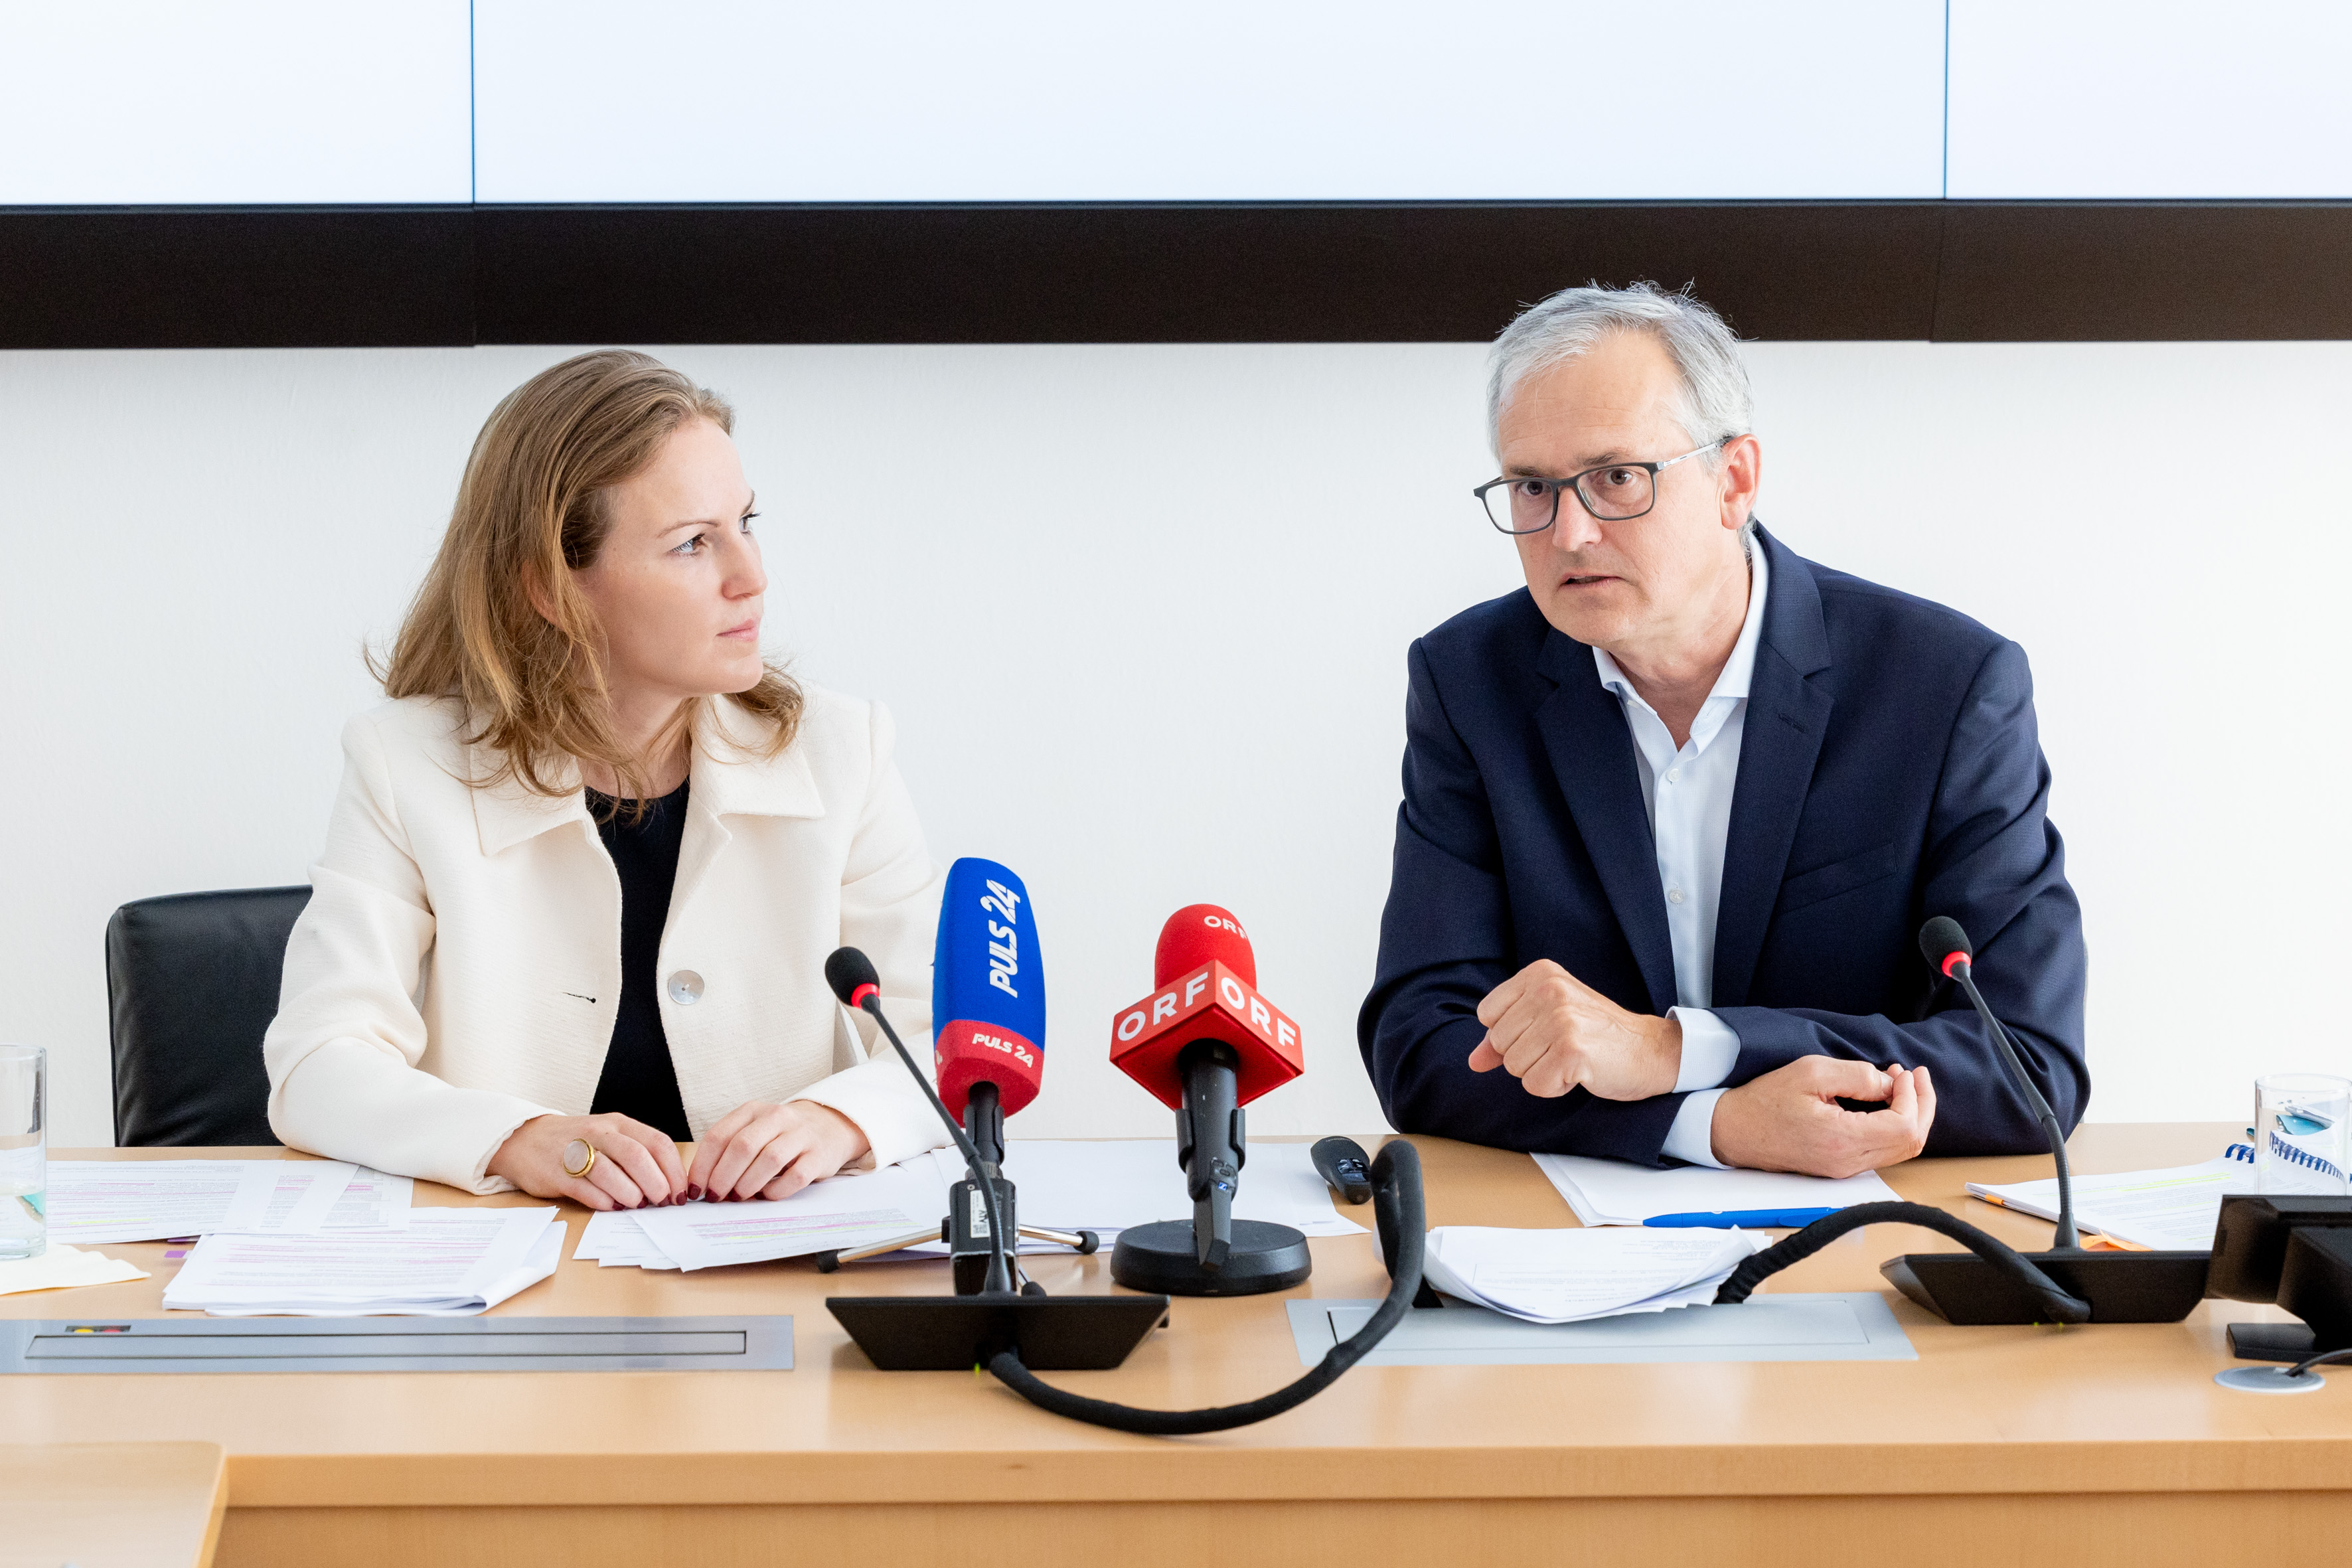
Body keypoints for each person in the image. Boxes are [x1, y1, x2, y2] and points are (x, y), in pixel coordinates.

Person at [1358, 283, 2088, 1177]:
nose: (1570, 532)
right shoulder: (1471, 681)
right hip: (1577, 1260)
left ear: (1733, 480)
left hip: (1870, 1239)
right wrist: (1710, 1125)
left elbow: (2030, 1062)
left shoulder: (1944, 688)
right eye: (1532, 487)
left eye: (1617, 477)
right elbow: (1420, 1044)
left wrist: (1677, 1051)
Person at [264, 351, 948, 1209]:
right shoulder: (405, 763)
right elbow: (318, 1063)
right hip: (515, 1275)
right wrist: (514, 1137)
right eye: (695, 542)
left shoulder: (842, 749)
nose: (753, 574)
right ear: (552, 587)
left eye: (748, 521)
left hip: (770, 1265)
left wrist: (837, 1119)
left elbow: (951, 1040)